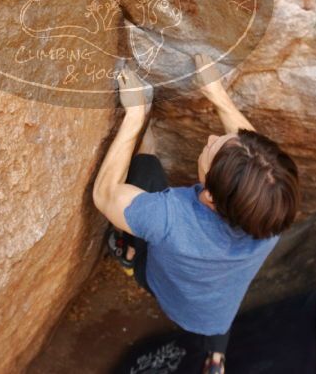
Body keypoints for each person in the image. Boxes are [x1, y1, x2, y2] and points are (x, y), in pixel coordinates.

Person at [92, 54, 301, 374]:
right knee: (215, 324)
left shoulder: (169, 218)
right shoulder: (272, 215)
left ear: (210, 197)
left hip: (166, 289)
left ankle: (131, 251)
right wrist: (217, 94)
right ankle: (216, 360)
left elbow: (105, 195)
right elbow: (256, 160)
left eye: (213, 148)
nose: (211, 137)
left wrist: (135, 117)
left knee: (144, 169)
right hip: (217, 308)